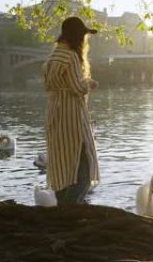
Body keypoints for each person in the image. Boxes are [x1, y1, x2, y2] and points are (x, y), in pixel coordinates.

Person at [42, 16, 100, 205]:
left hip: (55, 116)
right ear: (77, 37)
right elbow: (76, 87)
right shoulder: (72, 56)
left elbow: (50, 85)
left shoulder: (54, 55)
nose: (85, 40)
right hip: (72, 118)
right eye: (83, 35)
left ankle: (62, 207)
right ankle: (68, 211)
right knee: (83, 169)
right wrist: (89, 83)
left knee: (61, 166)